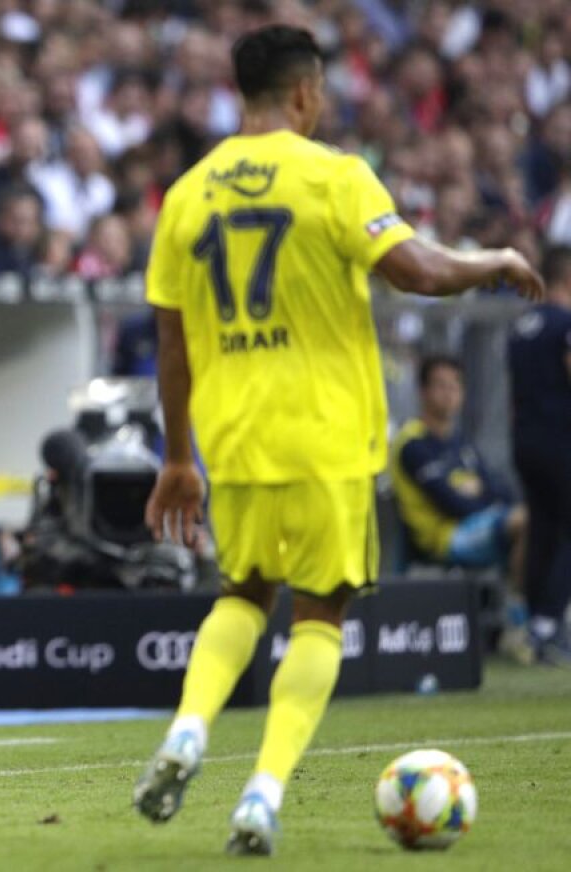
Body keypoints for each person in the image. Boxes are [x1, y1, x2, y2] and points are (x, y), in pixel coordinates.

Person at [133, 25, 543, 856]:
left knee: (243, 593)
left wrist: (179, 458)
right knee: (320, 614)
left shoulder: (186, 194)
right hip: (326, 434)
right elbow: (418, 271)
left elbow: (172, 348)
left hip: (234, 434)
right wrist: (490, 258)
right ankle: (261, 792)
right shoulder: (335, 175)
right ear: (308, 93)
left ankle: (187, 731)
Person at [389, 355, 531, 660]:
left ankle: (540, 623)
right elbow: (451, 504)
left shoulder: (461, 444)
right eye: (440, 385)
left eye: (455, 386)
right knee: (527, 523)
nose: (448, 393)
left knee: (545, 525)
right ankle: (519, 628)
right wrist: (479, 495)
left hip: (481, 525)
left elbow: (501, 490)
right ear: (423, 391)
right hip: (445, 537)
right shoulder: (412, 444)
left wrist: (478, 492)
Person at [508, 246, 571, 665]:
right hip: (560, 439)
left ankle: (533, 624)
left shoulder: (521, 326)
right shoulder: (565, 323)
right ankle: (550, 624)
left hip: (525, 441)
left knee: (543, 530)